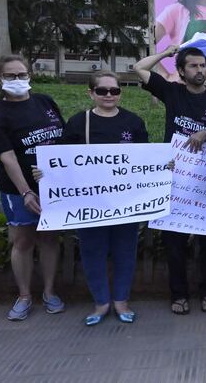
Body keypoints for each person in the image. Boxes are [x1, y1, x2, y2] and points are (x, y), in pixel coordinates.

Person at [39, 72, 148, 325]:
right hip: (89, 204)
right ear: (91, 93)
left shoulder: (133, 122)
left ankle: (121, 301)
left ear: (121, 93)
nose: (109, 95)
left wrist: (163, 166)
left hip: (125, 203)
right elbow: (62, 160)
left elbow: (145, 159)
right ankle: (101, 302)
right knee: (92, 252)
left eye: (114, 90)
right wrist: (45, 171)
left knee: (125, 252)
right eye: (102, 91)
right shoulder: (79, 122)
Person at [134, 45, 206, 315]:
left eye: (203, 65)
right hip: (174, 178)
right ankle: (178, 294)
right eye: (193, 66)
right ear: (181, 71)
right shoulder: (171, 92)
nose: (200, 70)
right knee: (174, 241)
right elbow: (139, 69)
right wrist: (167, 52)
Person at [0, 55, 65, 320]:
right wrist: (25, 191)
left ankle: (50, 292)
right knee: (23, 240)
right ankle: (24, 295)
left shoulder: (45, 102)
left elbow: (62, 140)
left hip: (52, 186)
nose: (18, 80)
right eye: (11, 76)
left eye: (22, 74)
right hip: (17, 188)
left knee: (50, 238)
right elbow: (7, 157)